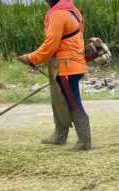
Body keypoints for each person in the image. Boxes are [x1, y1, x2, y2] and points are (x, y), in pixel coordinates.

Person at [18, 0, 91, 150]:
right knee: (59, 101)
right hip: (70, 64)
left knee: (73, 103)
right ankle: (60, 136)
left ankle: (84, 141)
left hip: (66, 67)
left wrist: (30, 58)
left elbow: (50, 45)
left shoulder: (58, 14)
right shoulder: (73, 10)